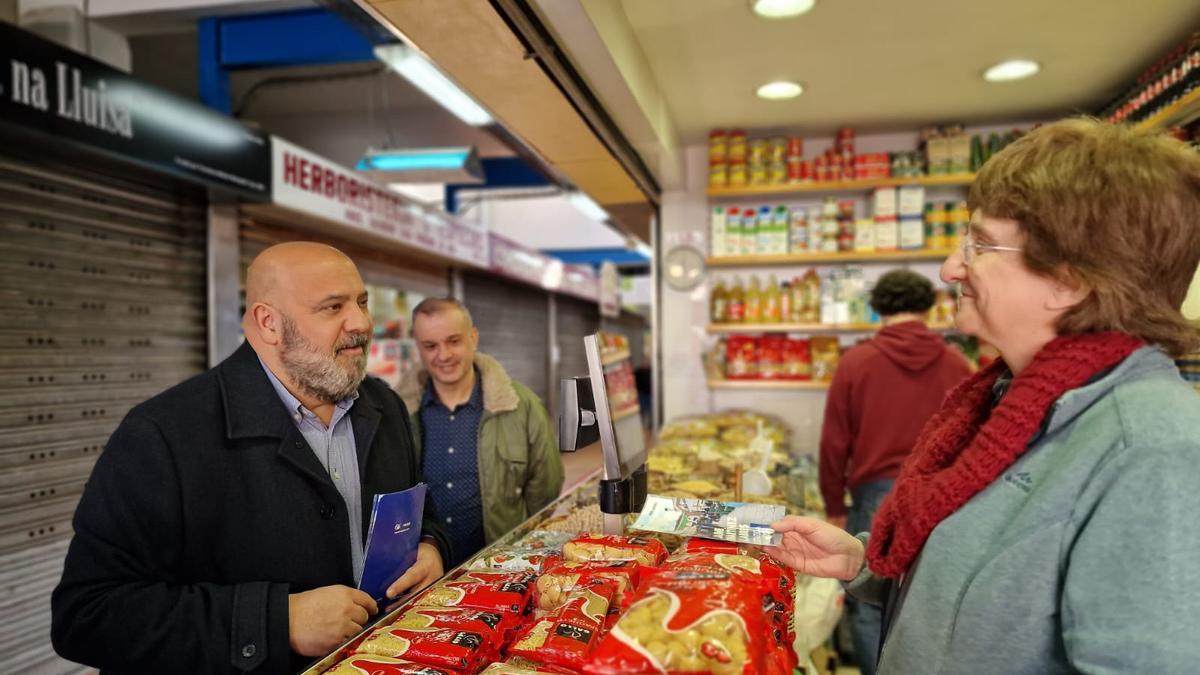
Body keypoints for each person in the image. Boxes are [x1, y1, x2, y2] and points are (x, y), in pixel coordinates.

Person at [769, 118, 1200, 673]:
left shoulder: (1153, 448)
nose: (951, 268)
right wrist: (861, 562)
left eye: (979, 243)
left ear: (1070, 279)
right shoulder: (1005, 402)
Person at [51, 242, 450, 674]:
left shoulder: (384, 407)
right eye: (332, 307)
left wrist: (430, 547)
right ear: (268, 323)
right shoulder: (163, 434)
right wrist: (275, 623)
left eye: (361, 302)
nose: (361, 323)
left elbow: (420, 512)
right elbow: (87, 615)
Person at [818, 269, 972, 675]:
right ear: (928, 308)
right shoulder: (958, 363)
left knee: (868, 601)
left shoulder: (857, 362)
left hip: (875, 496)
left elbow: (835, 442)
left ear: (877, 309)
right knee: (926, 599)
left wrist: (833, 504)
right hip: (942, 494)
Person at [397, 297, 563, 568]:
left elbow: (544, 490)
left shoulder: (521, 406)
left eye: (454, 341)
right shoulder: (399, 413)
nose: (444, 355)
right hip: (424, 576)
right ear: (418, 348)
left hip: (501, 570)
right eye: (430, 346)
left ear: (473, 338)